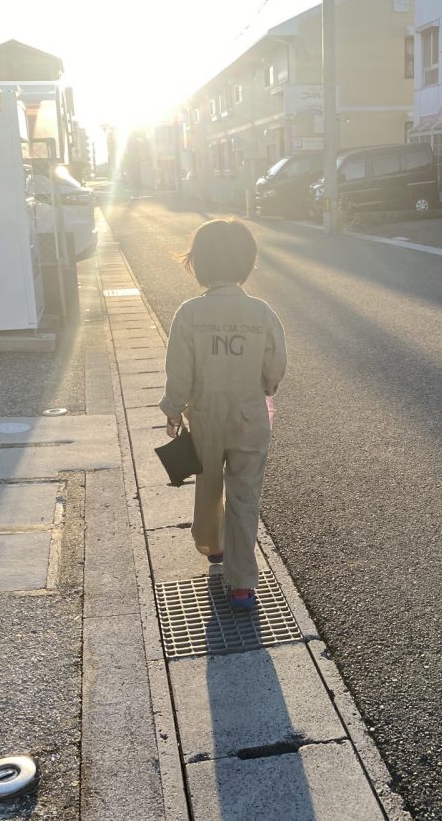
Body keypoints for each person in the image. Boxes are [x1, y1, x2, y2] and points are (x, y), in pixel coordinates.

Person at [160, 219, 287, 610]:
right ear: (247, 262)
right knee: (245, 496)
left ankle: (212, 545)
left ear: (198, 264)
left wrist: (173, 409)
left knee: (209, 481)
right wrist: (265, 386)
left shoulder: (190, 313)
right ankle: (243, 583)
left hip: (206, 416)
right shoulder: (261, 312)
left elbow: (179, 371)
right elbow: (275, 365)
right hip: (250, 415)